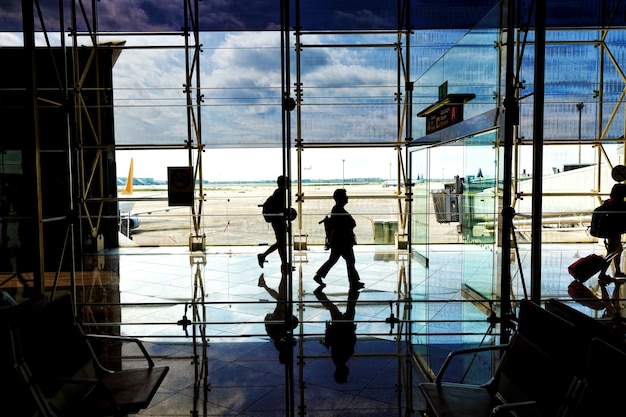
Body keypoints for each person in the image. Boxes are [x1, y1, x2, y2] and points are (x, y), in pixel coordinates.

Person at [313, 189, 364, 289]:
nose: (347, 198)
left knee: (336, 260)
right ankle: (354, 282)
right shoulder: (338, 210)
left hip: (339, 240)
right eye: (345, 196)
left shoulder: (337, 209)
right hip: (342, 240)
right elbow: (349, 223)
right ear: (341, 198)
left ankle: (319, 275)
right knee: (349, 260)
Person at [314, 285, 359, 384]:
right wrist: (329, 330)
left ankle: (354, 289)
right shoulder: (338, 360)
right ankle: (319, 294)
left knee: (349, 307)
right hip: (341, 327)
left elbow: (347, 342)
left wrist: (352, 331)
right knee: (336, 308)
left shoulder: (340, 359)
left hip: (343, 327)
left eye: (346, 375)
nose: (348, 373)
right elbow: (333, 342)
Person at [259, 272, 297, 363]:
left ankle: (283, 276)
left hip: (278, 320)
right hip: (278, 320)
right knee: (281, 298)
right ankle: (265, 284)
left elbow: (281, 334)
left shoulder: (282, 345)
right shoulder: (281, 346)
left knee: (282, 299)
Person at [258, 175, 290, 269]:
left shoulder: (279, 192)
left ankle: (284, 263)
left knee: (281, 242)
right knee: (281, 242)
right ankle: (263, 256)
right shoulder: (281, 193)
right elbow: (280, 209)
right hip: (278, 220)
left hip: (277, 219)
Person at [604, 183, 626, 277]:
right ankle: (603, 273)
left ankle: (617, 271)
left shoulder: (609, 203)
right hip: (614, 231)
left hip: (610, 230)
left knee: (614, 251)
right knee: (612, 252)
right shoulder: (619, 205)